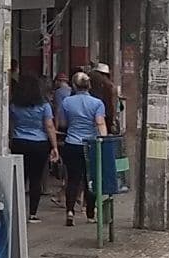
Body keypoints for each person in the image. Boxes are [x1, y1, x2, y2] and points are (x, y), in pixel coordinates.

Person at [59, 70, 108, 226]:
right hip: (91, 145)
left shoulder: (67, 102)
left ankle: (70, 210)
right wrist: (103, 140)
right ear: (89, 85)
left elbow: (63, 123)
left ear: (74, 85)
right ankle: (90, 213)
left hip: (71, 143)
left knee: (73, 179)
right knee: (90, 179)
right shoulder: (97, 103)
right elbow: (100, 123)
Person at [8, 71, 56, 219]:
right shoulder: (44, 105)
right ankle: (33, 214)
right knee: (36, 178)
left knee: (20, 178)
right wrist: (54, 146)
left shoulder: (14, 105)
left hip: (19, 142)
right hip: (39, 144)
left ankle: (18, 211)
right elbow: (49, 126)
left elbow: (10, 123)